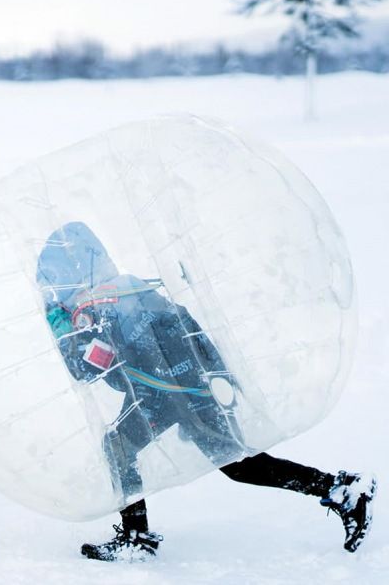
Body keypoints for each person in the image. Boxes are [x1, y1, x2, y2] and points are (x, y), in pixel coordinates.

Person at [36, 221, 376, 561]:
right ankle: (136, 536)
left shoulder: (101, 308)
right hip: (176, 387)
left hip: (171, 391)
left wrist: (63, 329)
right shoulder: (128, 288)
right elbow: (180, 325)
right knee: (128, 447)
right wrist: (217, 374)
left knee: (236, 464)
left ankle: (342, 489)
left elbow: (91, 369)